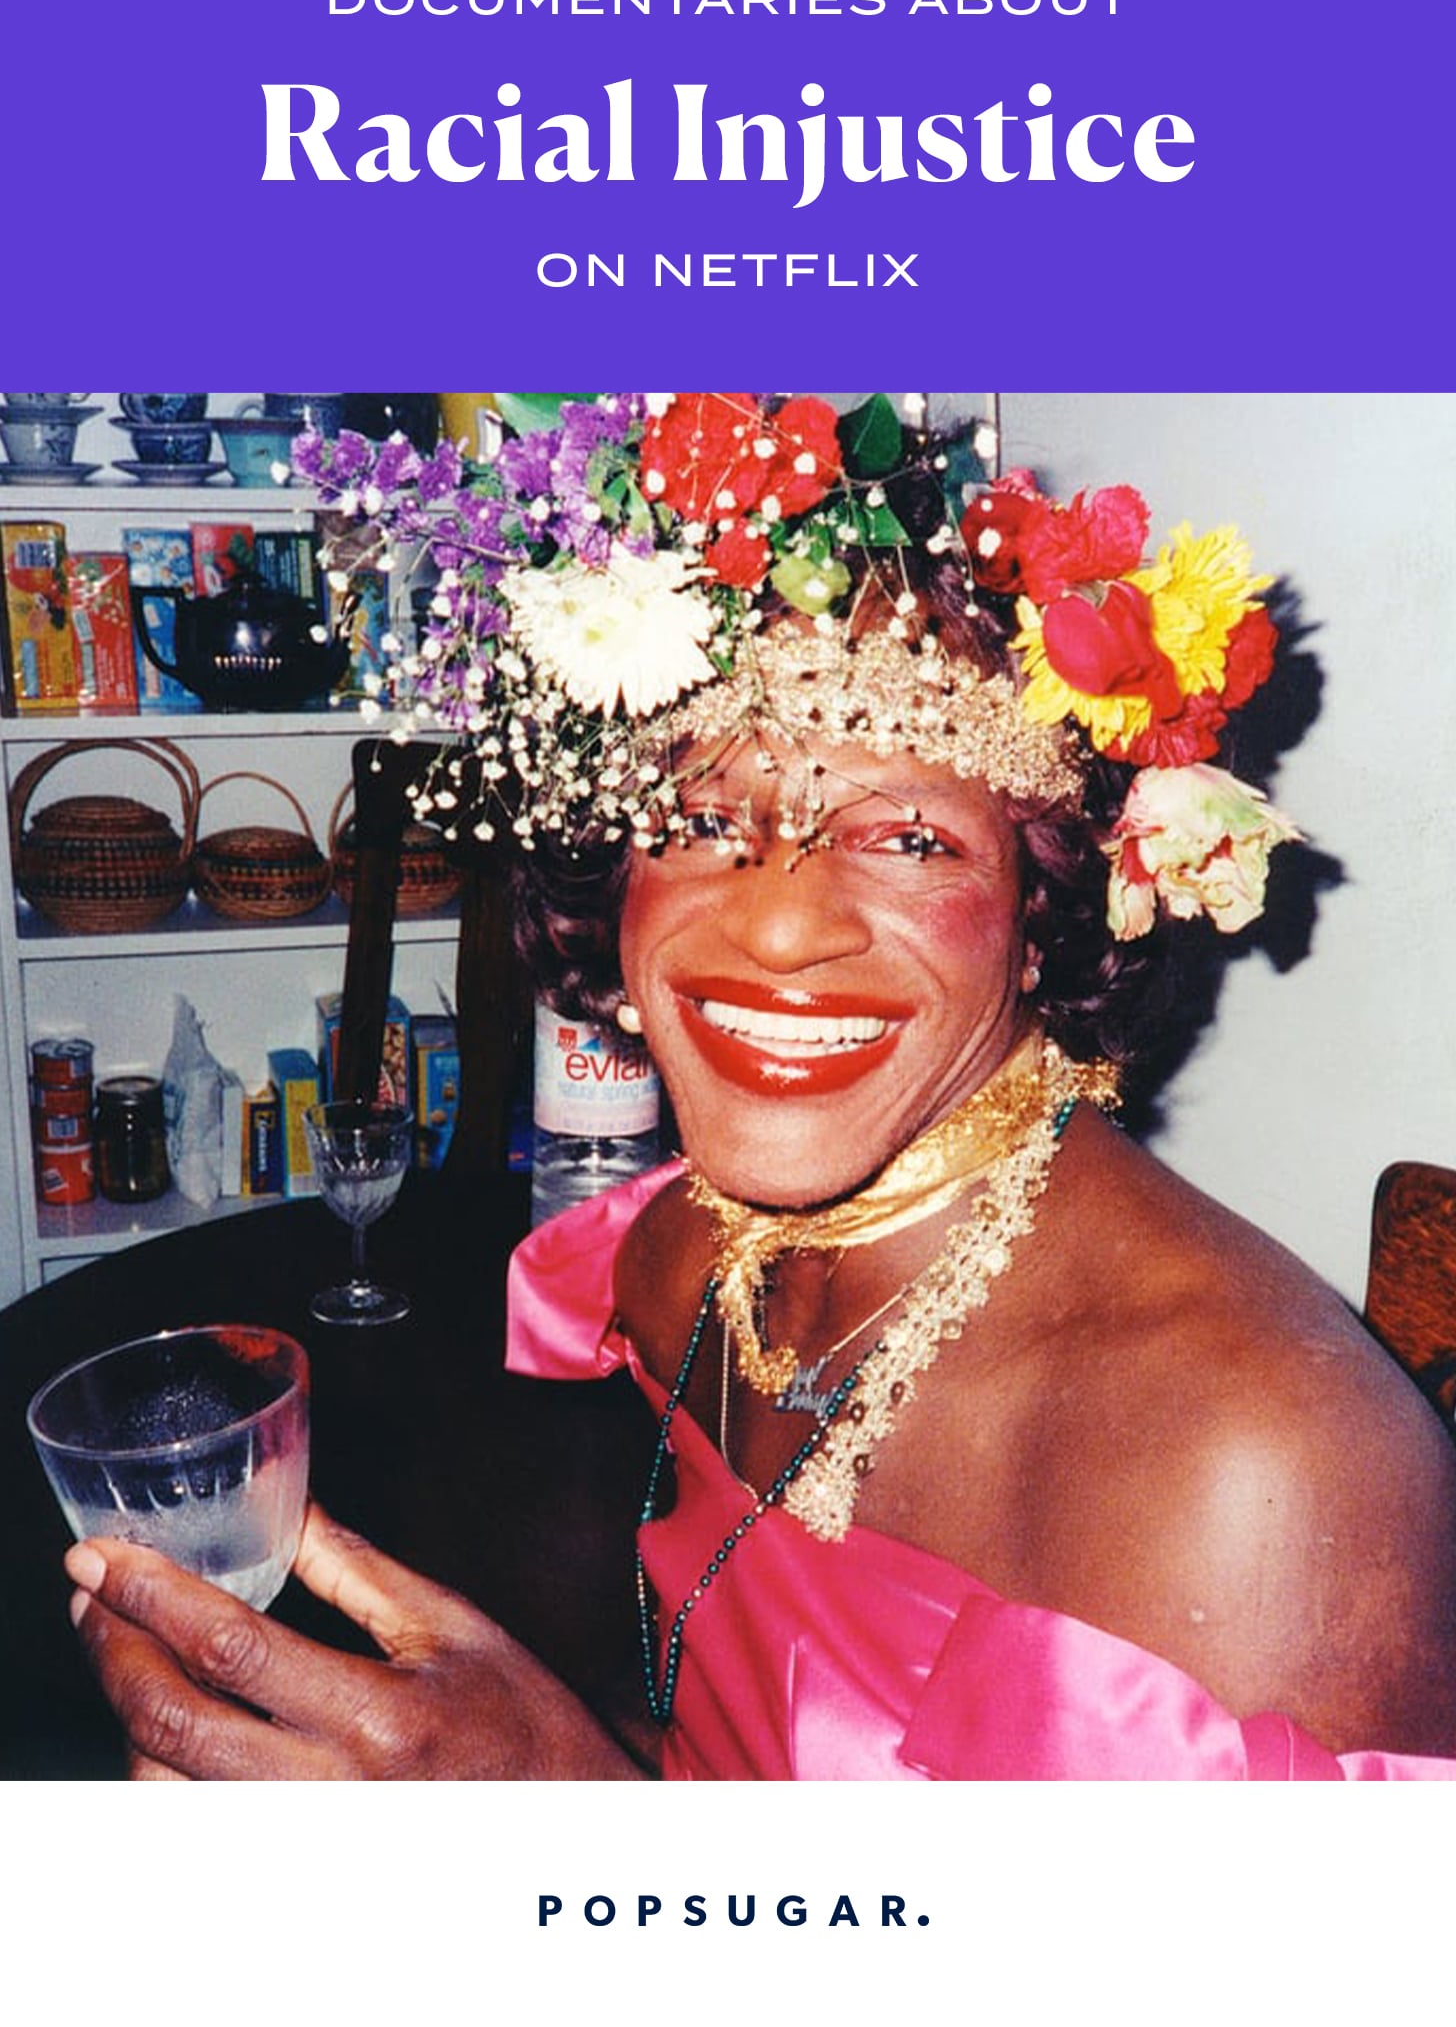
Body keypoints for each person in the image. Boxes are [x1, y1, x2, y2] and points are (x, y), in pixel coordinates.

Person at [63, 394, 1456, 1779]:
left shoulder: (1252, 1475)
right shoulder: (687, 1260)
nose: (780, 928)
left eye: (909, 839)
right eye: (700, 819)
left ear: (1045, 912)